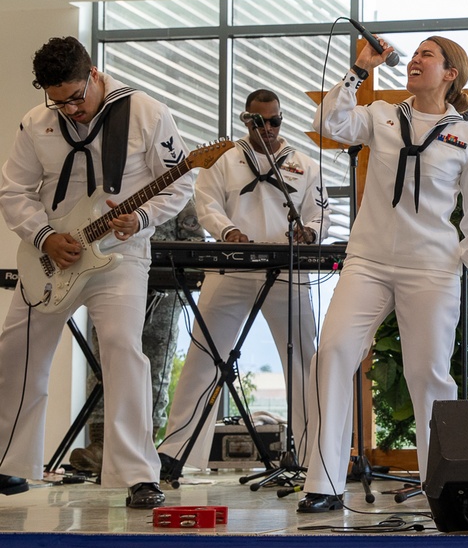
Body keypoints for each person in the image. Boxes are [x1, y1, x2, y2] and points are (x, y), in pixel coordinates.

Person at [299, 35, 468, 513]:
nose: (414, 60)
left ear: (450, 73)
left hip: (431, 266)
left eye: (427, 55)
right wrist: (359, 70)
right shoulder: (384, 114)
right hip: (368, 260)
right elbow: (330, 122)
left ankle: (438, 484)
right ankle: (323, 481)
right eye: (414, 55)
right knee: (333, 352)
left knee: (428, 374)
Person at [0, 36, 194, 508]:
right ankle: (8, 464)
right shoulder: (36, 123)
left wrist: (143, 218)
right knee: (15, 352)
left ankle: (138, 476)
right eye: (57, 100)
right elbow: (13, 191)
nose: (68, 108)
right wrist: (44, 236)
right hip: (51, 256)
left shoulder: (146, 111)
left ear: (92, 74)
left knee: (123, 350)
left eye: (74, 97)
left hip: (119, 255)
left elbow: (182, 179)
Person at [157, 89, 328, 476]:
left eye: (275, 121)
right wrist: (227, 230)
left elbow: (320, 213)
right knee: (204, 355)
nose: (267, 128)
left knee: (302, 357)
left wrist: (311, 233)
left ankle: (307, 452)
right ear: (245, 120)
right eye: (259, 121)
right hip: (231, 267)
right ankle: (176, 452)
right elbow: (206, 203)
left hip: (286, 268)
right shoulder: (222, 162)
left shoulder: (304, 165)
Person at [69, 201, 202, 474]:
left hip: (165, 285)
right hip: (111, 274)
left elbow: (194, 243)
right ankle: (101, 444)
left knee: (154, 366)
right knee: (105, 360)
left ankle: (145, 443)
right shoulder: (114, 184)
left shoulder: (178, 190)